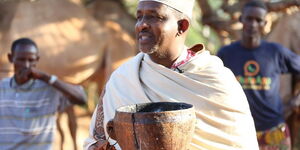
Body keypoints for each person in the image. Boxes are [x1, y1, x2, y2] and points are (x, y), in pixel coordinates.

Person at [84, 0, 258, 149]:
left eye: (154, 17)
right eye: (139, 17)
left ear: (182, 26)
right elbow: (97, 139)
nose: (141, 25)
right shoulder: (123, 78)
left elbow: (239, 144)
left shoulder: (217, 81)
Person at [217, 1, 300, 150]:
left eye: (258, 20)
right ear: (241, 19)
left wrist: (297, 99)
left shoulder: (275, 52)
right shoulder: (226, 54)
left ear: (265, 23)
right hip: (238, 132)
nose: (253, 24)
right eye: (249, 18)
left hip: (274, 132)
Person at [0, 37, 87, 150]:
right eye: (21, 59)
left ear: (37, 60)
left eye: (31, 60)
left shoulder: (49, 89)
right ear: (11, 58)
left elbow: (81, 98)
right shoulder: (2, 87)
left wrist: (46, 78)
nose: (26, 65)